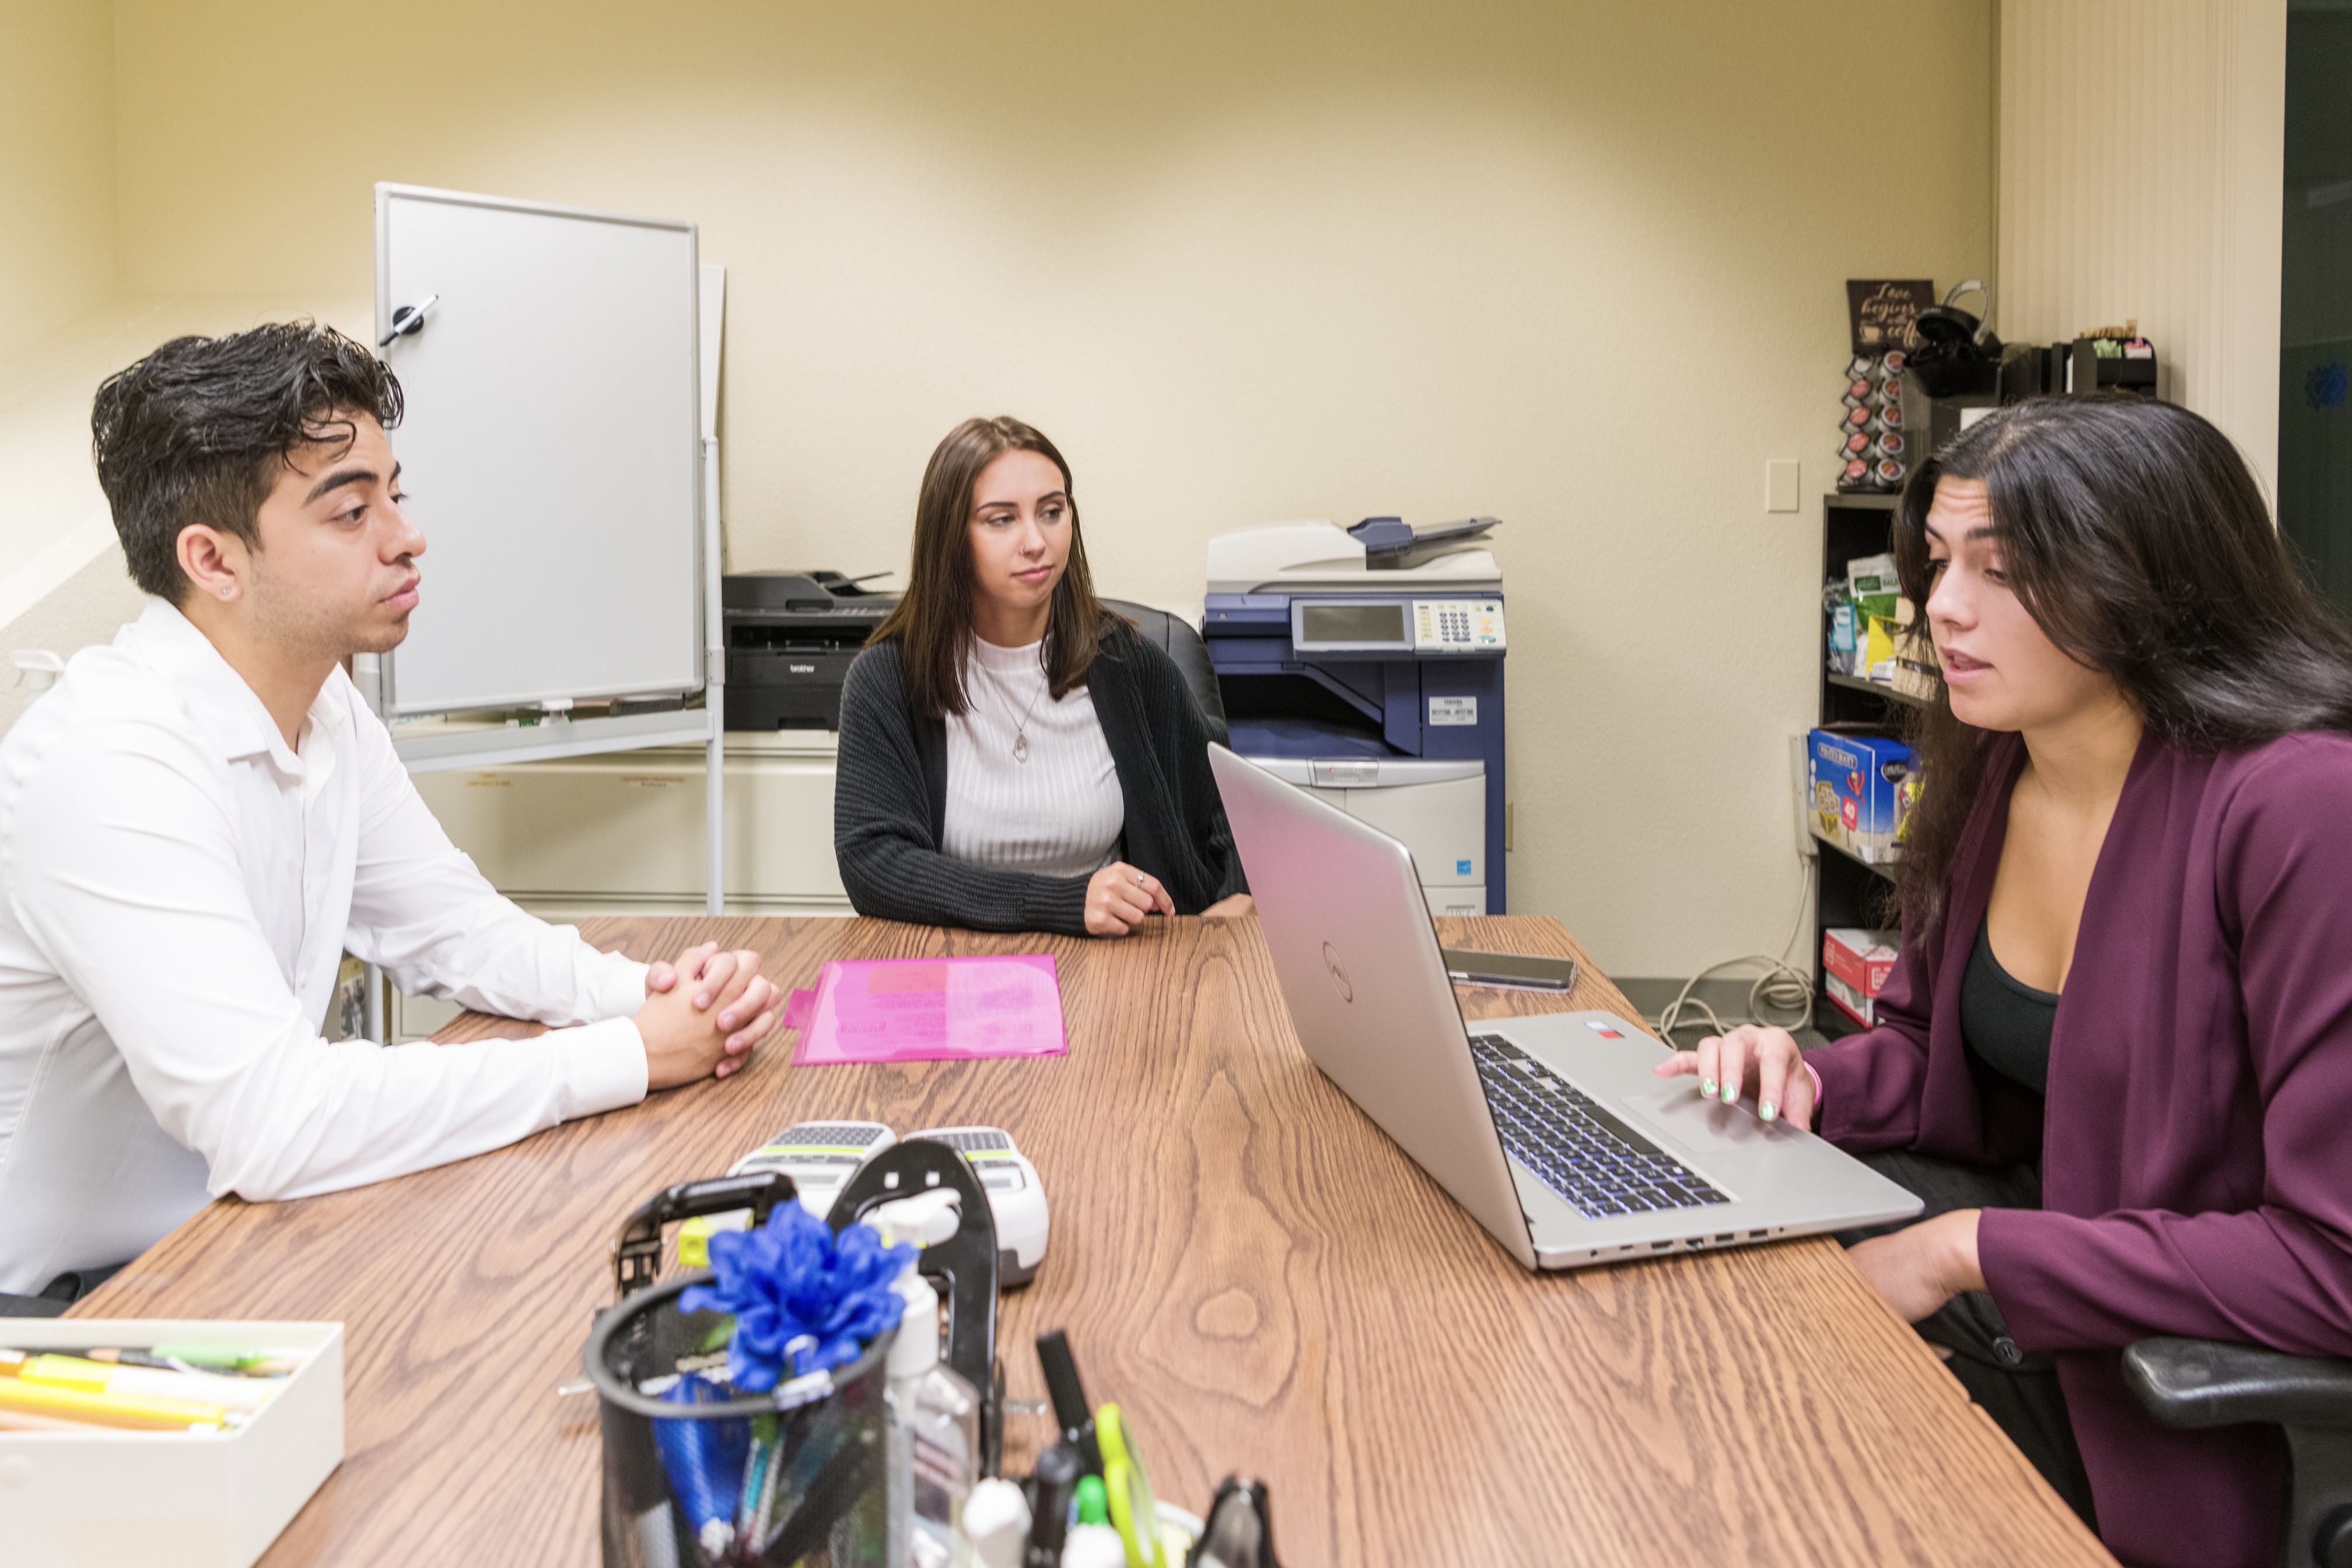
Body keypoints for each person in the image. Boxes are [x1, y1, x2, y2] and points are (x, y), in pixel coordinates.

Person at [1656, 395, 2352, 1568]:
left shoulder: (2299, 807)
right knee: (1698, 1342)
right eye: (1937, 561)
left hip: (2146, 1374)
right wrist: (1809, 1082)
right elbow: (1948, 1055)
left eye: (2008, 569)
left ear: (2155, 584)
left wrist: (1970, 1249)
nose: (1943, 610)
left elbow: (2332, 1266)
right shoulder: (2002, 760)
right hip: (2038, 1275)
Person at [0, 323, 782, 1305]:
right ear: (212, 559)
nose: (406, 535)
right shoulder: (108, 760)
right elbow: (274, 1123)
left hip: (236, 1240)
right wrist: (630, 1052)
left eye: (395, 494)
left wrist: (657, 995)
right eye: (349, 510)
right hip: (67, 1313)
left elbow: (460, 933)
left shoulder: (325, 706)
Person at [835, 416, 1249, 936]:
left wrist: (1240, 893)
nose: (1036, 541)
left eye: (1052, 512)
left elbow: (1231, 799)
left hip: (1116, 969)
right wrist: (1064, 902)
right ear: (951, 539)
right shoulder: (888, 679)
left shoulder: (1127, 663)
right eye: (1001, 520)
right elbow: (872, 862)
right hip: (952, 967)